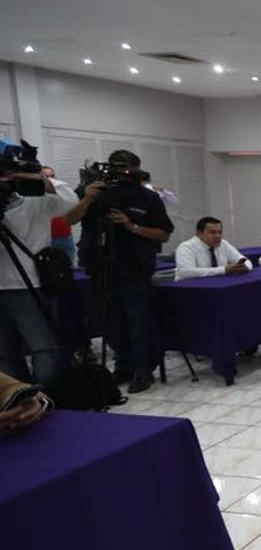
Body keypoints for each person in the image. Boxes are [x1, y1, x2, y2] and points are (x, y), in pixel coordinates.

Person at [66, 150, 174, 394]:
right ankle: (122, 366)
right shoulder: (91, 193)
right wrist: (87, 198)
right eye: (117, 169)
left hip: (134, 268)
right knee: (110, 323)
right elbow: (68, 220)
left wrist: (131, 226)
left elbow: (163, 234)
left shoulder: (148, 198)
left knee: (139, 323)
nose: (122, 175)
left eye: (127, 170)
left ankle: (142, 370)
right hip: (100, 268)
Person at [0, 162, 78, 390]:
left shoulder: (36, 201)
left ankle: (44, 395)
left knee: (43, 348)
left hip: (28, 284)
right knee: (4, 353)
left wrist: (29, 178)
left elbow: (70, 199)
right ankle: (16, 397)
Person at [174, 216, 252, 280]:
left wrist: (245, 267)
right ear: (199, 233)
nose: (217, 236)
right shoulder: (186, 248)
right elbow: (186, 272)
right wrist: (224, 270)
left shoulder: (223, 244)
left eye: (220, 232)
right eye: (212, 232)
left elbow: (246, 261)